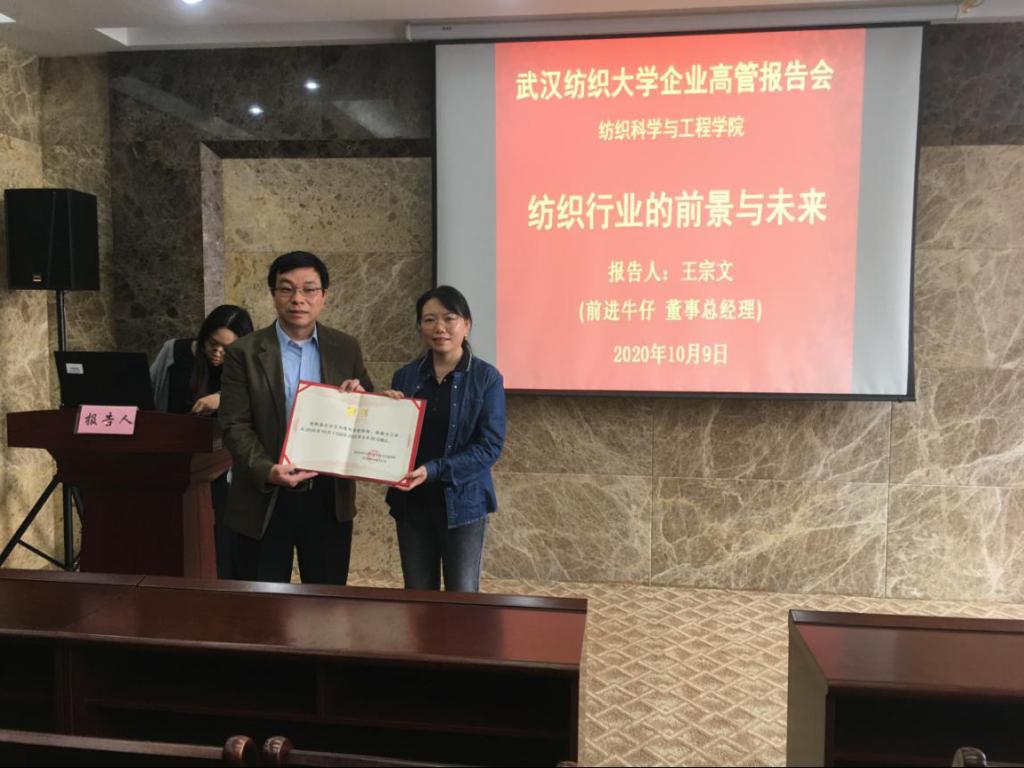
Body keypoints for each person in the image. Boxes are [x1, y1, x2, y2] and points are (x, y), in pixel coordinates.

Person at [218, 250, 373, 585]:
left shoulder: (346, 348)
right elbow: (233, 424)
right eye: (287, 289)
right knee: (262, 600)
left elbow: (366, 412)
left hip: (327, 495)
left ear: (324, 296)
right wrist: (267, 469)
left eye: (309, 289)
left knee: (327, 601)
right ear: (273, 294)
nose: (298, 299)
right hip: (264, 493)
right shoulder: (244, 352)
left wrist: (361, 399)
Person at [384, 286, 506, 592]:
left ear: (467, 324)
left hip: (463, 504)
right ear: (420, 326)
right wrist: (382, 410)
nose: (439, 327)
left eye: (449, 318)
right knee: (418, 595)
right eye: (429, 320)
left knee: (461, 598)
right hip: (412, 503)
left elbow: (489, 446)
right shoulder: (405, 376)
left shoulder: (486, 378)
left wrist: (434, 470)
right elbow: (393, 438)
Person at [150, 304, 254, 579]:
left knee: (218, 539)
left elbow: (259, 402)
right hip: (172, 459)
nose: (217, 353)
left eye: (227, 348)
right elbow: (150, 393)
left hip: (222, 466)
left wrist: (222, 398)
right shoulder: (174, 352)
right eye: (212, 344)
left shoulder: (247, 363)